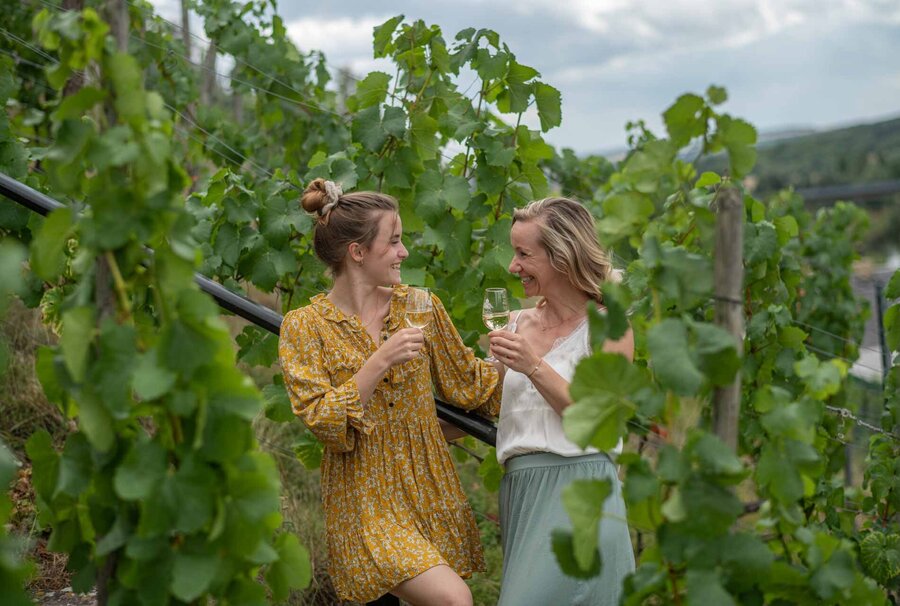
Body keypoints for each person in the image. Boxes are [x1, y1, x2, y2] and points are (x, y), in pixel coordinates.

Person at [278, 179, 501, 606]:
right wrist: (381, 359)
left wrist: (529, 344)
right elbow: (323, 421)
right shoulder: (304, 326)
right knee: (454, 599)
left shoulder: (420, 305)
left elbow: (472, 387)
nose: (405, 252)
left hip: (426, 490)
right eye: (394, 241)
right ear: (357, 252)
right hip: (364, 499)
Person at [487, 197, 636, 606]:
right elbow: (483, 402)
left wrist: (533, 366)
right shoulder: (513, 325)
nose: (513, 266)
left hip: (581, 489)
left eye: (524, 254)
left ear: (562, 256)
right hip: (522, 491)